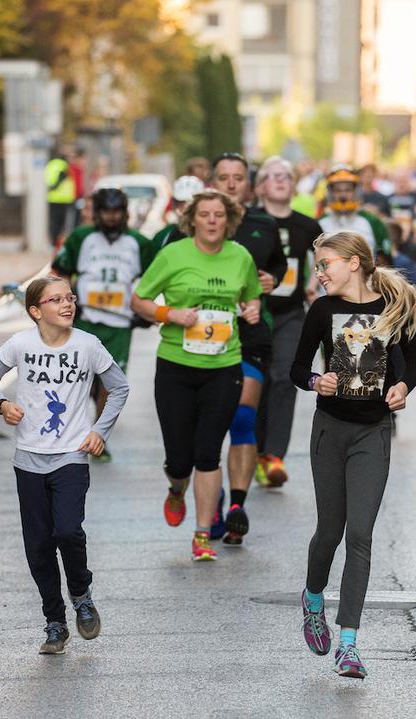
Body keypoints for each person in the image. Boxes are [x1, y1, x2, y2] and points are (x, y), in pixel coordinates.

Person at [291, 231, 416, 679]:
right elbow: (297, 368)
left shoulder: (392, 310)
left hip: (373, 432)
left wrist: (403, 386)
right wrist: (317, 381)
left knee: (361, 535)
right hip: (330, 429)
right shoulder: (322, 310)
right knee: (329, 532)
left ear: (354, 262)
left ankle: (348, 642)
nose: (319, 273)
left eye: (325, 263)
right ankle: (313, 597)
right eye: (317, 265)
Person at [0, 275, 129, 654]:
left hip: (72, 455)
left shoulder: (88, 345)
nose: (67, 305)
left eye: (70, 298)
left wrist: (100, 431)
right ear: (35, 310)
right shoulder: (21, 344)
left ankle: (81, 593)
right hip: (28, 458)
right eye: (56, 300)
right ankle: (55, 622)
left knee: (68, 531)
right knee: (39, 545)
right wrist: (1, 404)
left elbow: (119, 387)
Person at [131, 189, 262, 561]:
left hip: (223, 367)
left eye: (218, 215)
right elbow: (138, 300)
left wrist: (251, 310)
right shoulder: (173, 255)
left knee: (208, 452)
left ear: (229, 219)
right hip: (176, 366)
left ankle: (202, 534)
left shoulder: (241, 257)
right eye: (204, 214)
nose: (211, 221)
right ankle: (176, 488)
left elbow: (251, 297)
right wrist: (169, 315)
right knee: (179, 459)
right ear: (192, 219)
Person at [209, 153, 286, 544]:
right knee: (209, 428)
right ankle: (214, 492)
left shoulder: (263, 225)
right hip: (203, 340)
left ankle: (236, 505)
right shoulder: (193, 228)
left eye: (238, 177)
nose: (232, 184)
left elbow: (279, 266)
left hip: (251, 334)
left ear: (249, 184)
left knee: (241, 419)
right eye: (224, 177)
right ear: (212, 183)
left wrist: (272, 279)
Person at [51, 187, 155, 461]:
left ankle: (98, 436)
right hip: (85, 321)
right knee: (78, 379)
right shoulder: (81, 238)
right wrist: (65, 302)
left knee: (110, 382)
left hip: (119, 325)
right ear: (97, 214)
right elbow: (59, 271)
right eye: (106, 213)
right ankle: (74, 431)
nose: (111, 218)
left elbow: (155, 278)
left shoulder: (139, 243)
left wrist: (145, 311)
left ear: (125, 213)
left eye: (117, 212)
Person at [252, 156, 323, 487]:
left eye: (286, 176)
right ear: (261, 186)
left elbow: (323, 261)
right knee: (258, 382)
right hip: (252, 314)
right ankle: (252, 450)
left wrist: (314, 283)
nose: (280, 181)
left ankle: (273, 456)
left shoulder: (308, 225)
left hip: (291, 314)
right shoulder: (249, 222)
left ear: (294, 186)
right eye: (273, 176)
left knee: (284, 377)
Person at [319, 166, 392, 261]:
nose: (343, 195)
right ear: (330, 193)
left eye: (348, 190)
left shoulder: (373, 222)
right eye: (338, 190)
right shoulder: (320, 222)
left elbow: (385, 260)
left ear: (356, 191)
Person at [152, 175, 205, 253]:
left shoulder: (212, 233)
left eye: (191, 203)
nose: (185, 207)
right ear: (173, 203)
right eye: (180, 203)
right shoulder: (163, 236)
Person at [45, 147, 77, 248]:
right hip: (63, 199)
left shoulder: (51, 164)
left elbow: (49, 181)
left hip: (52, 198)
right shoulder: (63, 166)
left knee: (54, 222)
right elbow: (59, 181)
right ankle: (57, 242)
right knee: (61, 223)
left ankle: (54, 241)